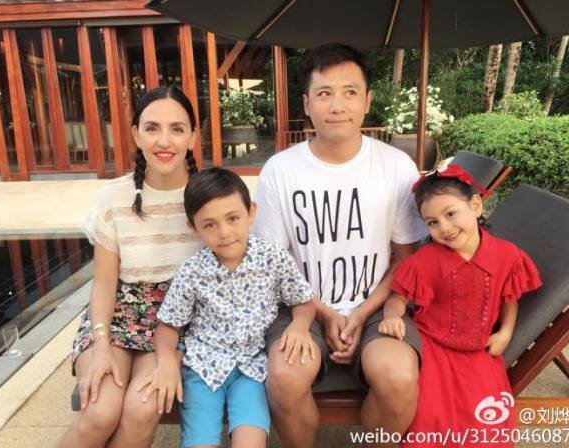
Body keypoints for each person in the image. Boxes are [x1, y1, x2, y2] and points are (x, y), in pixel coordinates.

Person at [252, 43, 428, 447]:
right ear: (306, 104)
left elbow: (407, 260)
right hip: (301, 308)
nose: (337, 105)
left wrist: (361, 312)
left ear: (367, 101)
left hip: (379, 306)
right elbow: (276, 264)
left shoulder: (395, 166)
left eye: (350, 92)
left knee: (399, 377)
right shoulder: (280, 170)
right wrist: (327, 314)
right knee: (284, 378)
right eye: (324, 93)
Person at [60, 86, 201, 448]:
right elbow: (105, 284)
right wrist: (100, 344)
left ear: (192, 137)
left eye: (177, 129)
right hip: (118, 314)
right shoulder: (114, 197)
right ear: (136, 135)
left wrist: (173, 354)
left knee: (141, 407)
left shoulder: (208, 197)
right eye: (152, 128)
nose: (164, 141)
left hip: (175, 322)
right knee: (100, 411)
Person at [138, 168, 316, 448]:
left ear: (251, 212)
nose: (224, 233)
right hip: (202, 370)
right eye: (209, 225)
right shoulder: (192, 271)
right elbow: (169, 325)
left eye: (233, 218)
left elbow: (302, 301)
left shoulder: (274, 259)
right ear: (193, 227)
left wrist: (299, 326)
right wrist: (166, 361)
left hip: (252, 371)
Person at [379, 160, 542, 447]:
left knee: (487, 417)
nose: (445, 227)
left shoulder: (507, 256)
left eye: (450, 213)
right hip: (432, 347)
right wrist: (392, 316)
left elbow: (510, 296)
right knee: (431, 415)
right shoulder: (426, 260)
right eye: (432, 222)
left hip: (479, 350)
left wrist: (505, 333)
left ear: (476, 206)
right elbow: (398, 297)